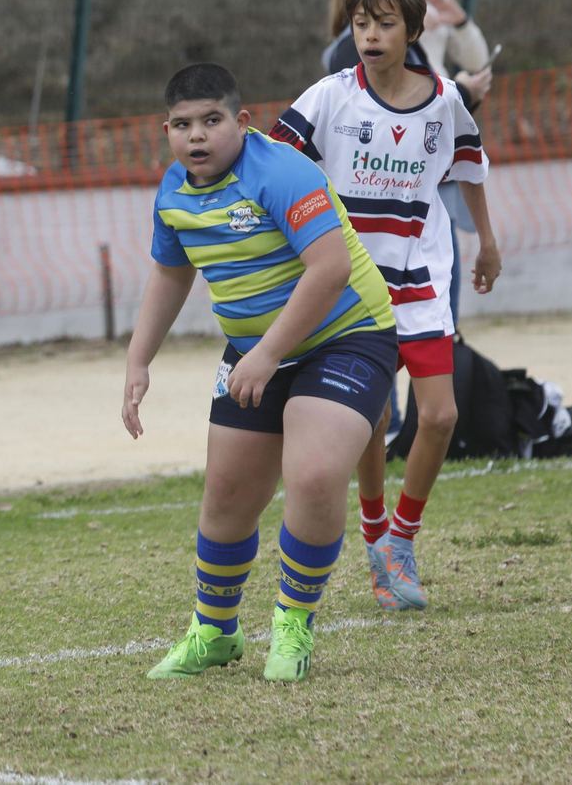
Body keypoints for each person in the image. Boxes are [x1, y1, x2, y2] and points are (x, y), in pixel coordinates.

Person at [126, 63, 397, 682]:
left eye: (212, 120)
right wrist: (139, 360)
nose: (198, 136)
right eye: (183, 125)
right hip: (255, 351)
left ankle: (292, 623)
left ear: (241, 122)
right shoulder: (174, 191)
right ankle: (214, 633)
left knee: (314, 473)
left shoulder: (280, 171)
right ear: (165, 130)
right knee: (226, 496)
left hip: (348, 337)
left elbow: (328, 270)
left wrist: (270, 353)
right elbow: (171, 272)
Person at [269, 0, 500, 612]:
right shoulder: (329, 96)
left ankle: (400, 538)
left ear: (414, 31)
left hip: (421, 278)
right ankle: (372, 529)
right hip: (353, 284)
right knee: (374, 419)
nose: (369, 35)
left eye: (384, 24)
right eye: (360, 23)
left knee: (442, 415)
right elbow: (273, 160)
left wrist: (487, 240)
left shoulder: (447, 99)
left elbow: (471, 167)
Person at [369, 0, 495, 330]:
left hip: (435, 144)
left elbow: (477, 60)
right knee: (378, 300)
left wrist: (458, 21)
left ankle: (445, 341)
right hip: (381, 161)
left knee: (442, 264)